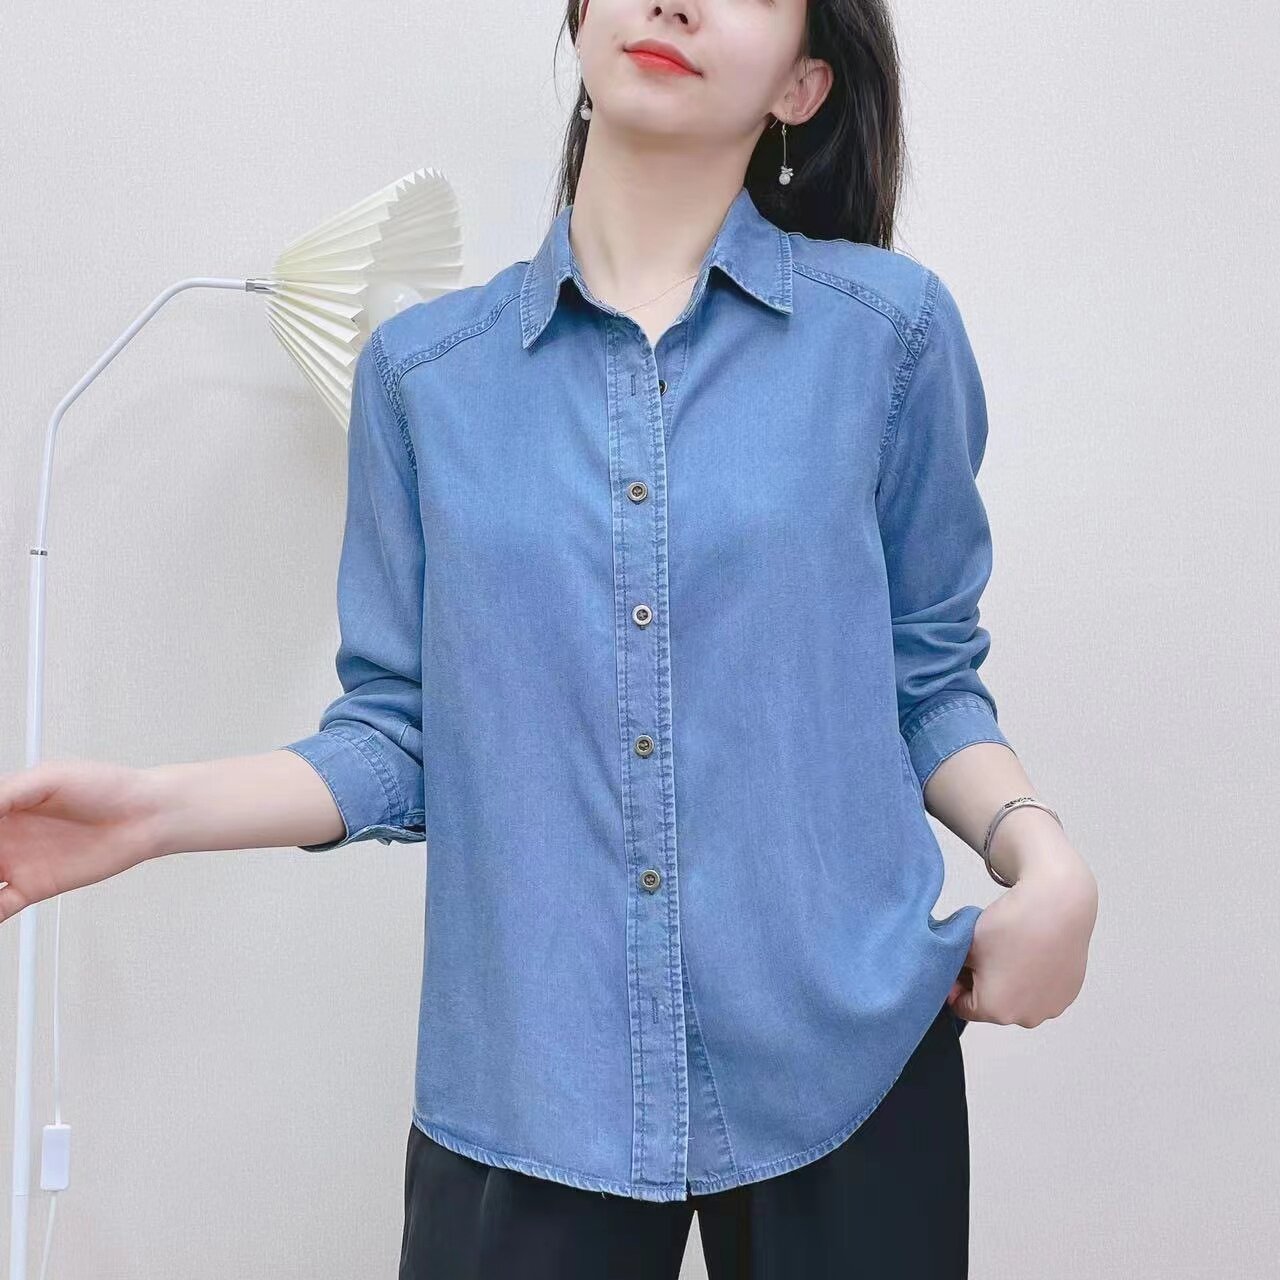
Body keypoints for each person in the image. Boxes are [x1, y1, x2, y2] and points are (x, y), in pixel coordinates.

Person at [0, 0, 1099, 1275]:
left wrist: (1043, 859)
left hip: (845, 1062)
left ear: (799, 86)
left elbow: (923, 675)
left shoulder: (888, 333)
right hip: (531, 1077)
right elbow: (399, 735)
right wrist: (150, 813)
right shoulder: (424, 375)